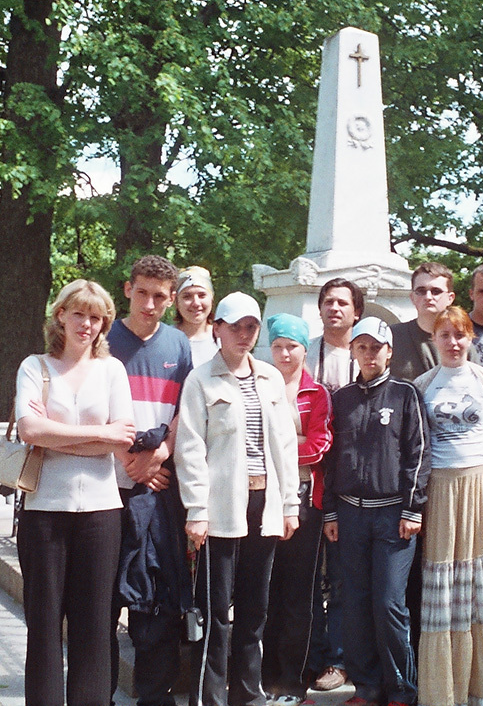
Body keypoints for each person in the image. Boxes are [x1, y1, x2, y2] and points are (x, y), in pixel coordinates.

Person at [174, 292, 301, 706]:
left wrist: (289, 504)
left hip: (263, 503)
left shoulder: (269, 377)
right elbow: (190, 447)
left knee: (254, 608)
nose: (243, 335)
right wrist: (196, 510)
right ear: (217, 329)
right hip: (220, 507)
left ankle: (248, 693)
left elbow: (283, 444)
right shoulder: (201, 379)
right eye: (235, 327)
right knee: (214, 610)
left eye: (251, 327)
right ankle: (209, 696)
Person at [14, 279, 136, 706]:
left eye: (97, 317)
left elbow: (123, 440)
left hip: (102, 512)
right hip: (44, 509)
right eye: (79, 313)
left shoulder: (112, 370)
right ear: (60, 315)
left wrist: (57, 436)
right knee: (44, 624)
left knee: (94, 625)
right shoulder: (35, 367)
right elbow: (30, 429)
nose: (87, 324)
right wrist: (98, 434)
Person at [414, 307, 483, 706]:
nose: (454, 342)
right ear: (435, 339)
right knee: (444, 585)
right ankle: (447, 690)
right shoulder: (422, 384)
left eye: (460, 335)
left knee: (482, 583)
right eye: (445, 335)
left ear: (470, 338)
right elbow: (417, 449)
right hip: (441, 488)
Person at [321, 317, 429, 706]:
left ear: (389, 351)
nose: (369, 354)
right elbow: (332, 459)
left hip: (392, 516)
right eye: (362, 347)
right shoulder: (343, 398)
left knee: (388, 603)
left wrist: (413, 508)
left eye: (376, 347)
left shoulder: (405, 394)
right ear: (353, 350)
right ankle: (367, 686)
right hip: (350, 515)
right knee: (353, 601)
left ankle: (401, 688)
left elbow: (418, 454)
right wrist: (331, 512)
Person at [107, 256, 194, 706]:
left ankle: (154, 696)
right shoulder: (104, 338)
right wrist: (127, 461)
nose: (150, 303)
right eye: (143, 292)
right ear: (128, 289)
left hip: (157, 487)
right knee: (102, 601)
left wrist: (160, 454)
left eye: (161, 296)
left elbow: (186, 411)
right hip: (106, 485)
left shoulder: (179, 345)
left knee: (155, 600)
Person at [262, 314, 333, 705]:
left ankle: (293, 681)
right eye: (278, 346)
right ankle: (266, 676)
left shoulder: (317, 394)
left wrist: (278, 448)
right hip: (265, 498)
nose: (285, 353)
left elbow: (320, 445)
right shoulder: (259, 387)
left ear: (306, 349)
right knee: (267, 590)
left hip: (307, 501)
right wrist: (293, 442)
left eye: (292, 346)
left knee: (299, 594)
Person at [304, 278, 363, 692]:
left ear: (356, 311)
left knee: (343, 575)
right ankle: (310, 654)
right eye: (328, 302)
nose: (334, 309)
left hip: (350, 478)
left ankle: (340, 659)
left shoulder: (367, 353)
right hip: (306, 475)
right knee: (305, 573)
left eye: (343, 303)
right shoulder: (303, 351)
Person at [389, 262, 454, 381]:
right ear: (412, 297)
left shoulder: (461, 339)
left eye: (436, 291)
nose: (428, 297)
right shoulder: (392, 337)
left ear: (450, 298)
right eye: (421, 291)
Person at [175, 266, 219, 367]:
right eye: (187, 296)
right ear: (176, 302)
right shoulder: (166, 340)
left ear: (211, 299)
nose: (196, 303)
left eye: (202, 295)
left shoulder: (224, 338)